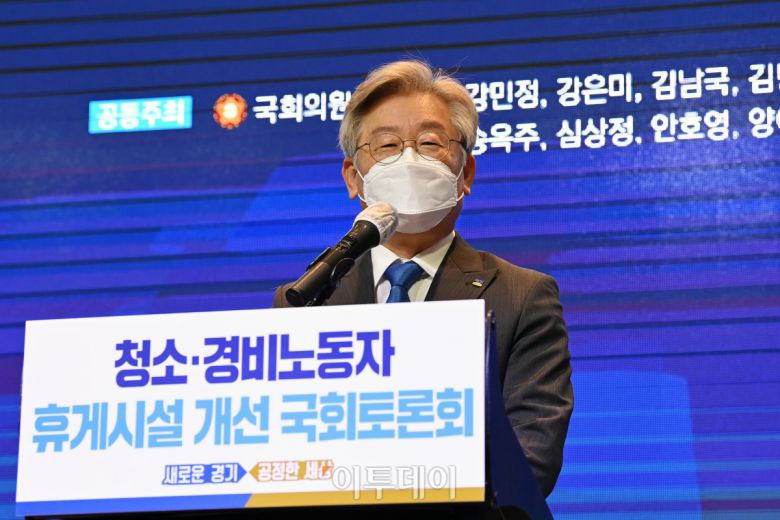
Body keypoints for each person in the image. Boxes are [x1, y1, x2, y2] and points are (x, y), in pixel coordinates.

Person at [273, 60, 573, 497]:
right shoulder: (305, 301)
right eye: (387, 145)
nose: (409, 159)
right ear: (353, 177)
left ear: (465, 173)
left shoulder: (522, 295)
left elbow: (533, 457)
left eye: (430, 142)